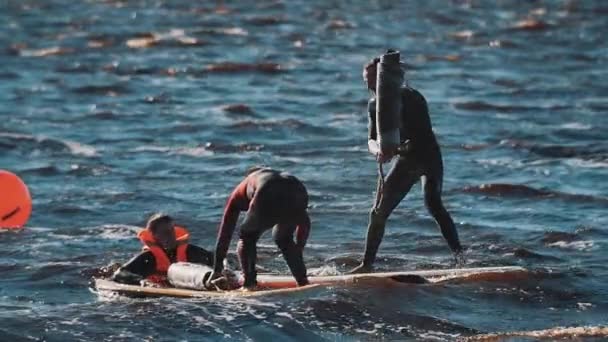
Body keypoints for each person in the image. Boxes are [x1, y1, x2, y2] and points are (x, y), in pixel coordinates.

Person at [350, 51, 463, 274]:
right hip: (404, 160)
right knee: (378, 212)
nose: (370, 85)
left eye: (373, 80)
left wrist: (397, 146)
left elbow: (420, 133)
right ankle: (367, 264)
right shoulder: (374, 105)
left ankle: (460, 258)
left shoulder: (412, 97)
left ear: (384, 78)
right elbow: (372, 139)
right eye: (366, 81)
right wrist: (379, 151)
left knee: (434, 204)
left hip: (427, 156)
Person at [206, 167, 311, 290]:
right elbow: (304, 223)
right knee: (284, 239)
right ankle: (302, 281)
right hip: (298, 189)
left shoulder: (239, 191)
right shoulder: (274, 178)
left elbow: (225, 232)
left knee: (247, 237)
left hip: (268, 190)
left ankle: (249, 284)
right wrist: (299, 250)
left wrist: (217, 269)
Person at [112, 213, 214, 285]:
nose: (171, 236)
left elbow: (216, 260)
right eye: (165, 232)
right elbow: (120, 274)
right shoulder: (148, 258)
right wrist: (141, 281)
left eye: (172, 231)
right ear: (154, 236)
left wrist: (224, 270)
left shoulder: (190, 251)